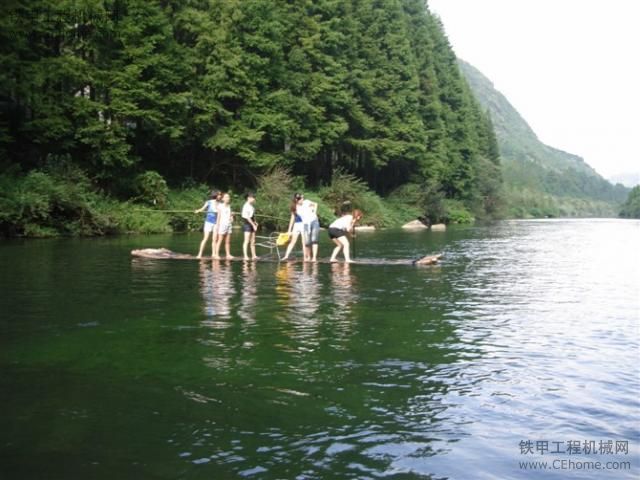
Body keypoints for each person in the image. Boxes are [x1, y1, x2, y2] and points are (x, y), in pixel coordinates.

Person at [194, 190, 221, 258]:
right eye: (219, 195)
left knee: (214, 239)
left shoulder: (220, 204)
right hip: (208, 222)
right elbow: (202, 209)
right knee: (205, 238)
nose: (220, 196)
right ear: (216, 195)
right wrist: (198, 210)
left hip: (216, 223)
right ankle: (199, 254)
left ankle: (214, 254)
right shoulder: (209, 202)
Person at [281, 193, 305, 261]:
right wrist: (289, 230)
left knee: (304, 241)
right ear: (297, 200)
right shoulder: (294, 207)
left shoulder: (304, 205)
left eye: (302, 198)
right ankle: (286, 256)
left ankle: (305, 257)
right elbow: (292, 218)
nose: (302, 200)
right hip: (297, 225)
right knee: (293, 241)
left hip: (304, 224)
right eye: (301, 198)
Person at [214, 193, 234, 259]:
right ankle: (216, 254)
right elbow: (218, 216)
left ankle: (228, 254)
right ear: (223, 199)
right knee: (220, 240)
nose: (228, 198)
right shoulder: (220, 206)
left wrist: (232, 217)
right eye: (226, 197)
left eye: (228, 197)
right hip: (222, 225)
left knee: (228, 241)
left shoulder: (229, 206)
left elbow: (230, 215)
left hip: (228, 225)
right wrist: (217, 226)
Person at [300, 196, 320, 262]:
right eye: (299, 199)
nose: (301, 200)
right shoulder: (297, 207)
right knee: (307, 242)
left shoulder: (307, 202)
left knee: (314, 239)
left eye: (301, 198)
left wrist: (314, 212)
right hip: (306, 223)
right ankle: (308, 257)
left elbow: (316, 204)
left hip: (314, 221)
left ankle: (314, 258)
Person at [241, 192, 259, 260]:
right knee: (246, 240)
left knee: (253, 241)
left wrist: (255, 222)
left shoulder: (252, 206)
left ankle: (254, 255)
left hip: (252, 223)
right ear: (249, 198)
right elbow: (247, 218)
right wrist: (253, 225)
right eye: (253, 198)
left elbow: (253, 216)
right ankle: (245, 256)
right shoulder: (245, 206)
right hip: (247, 224)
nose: (254, 199)